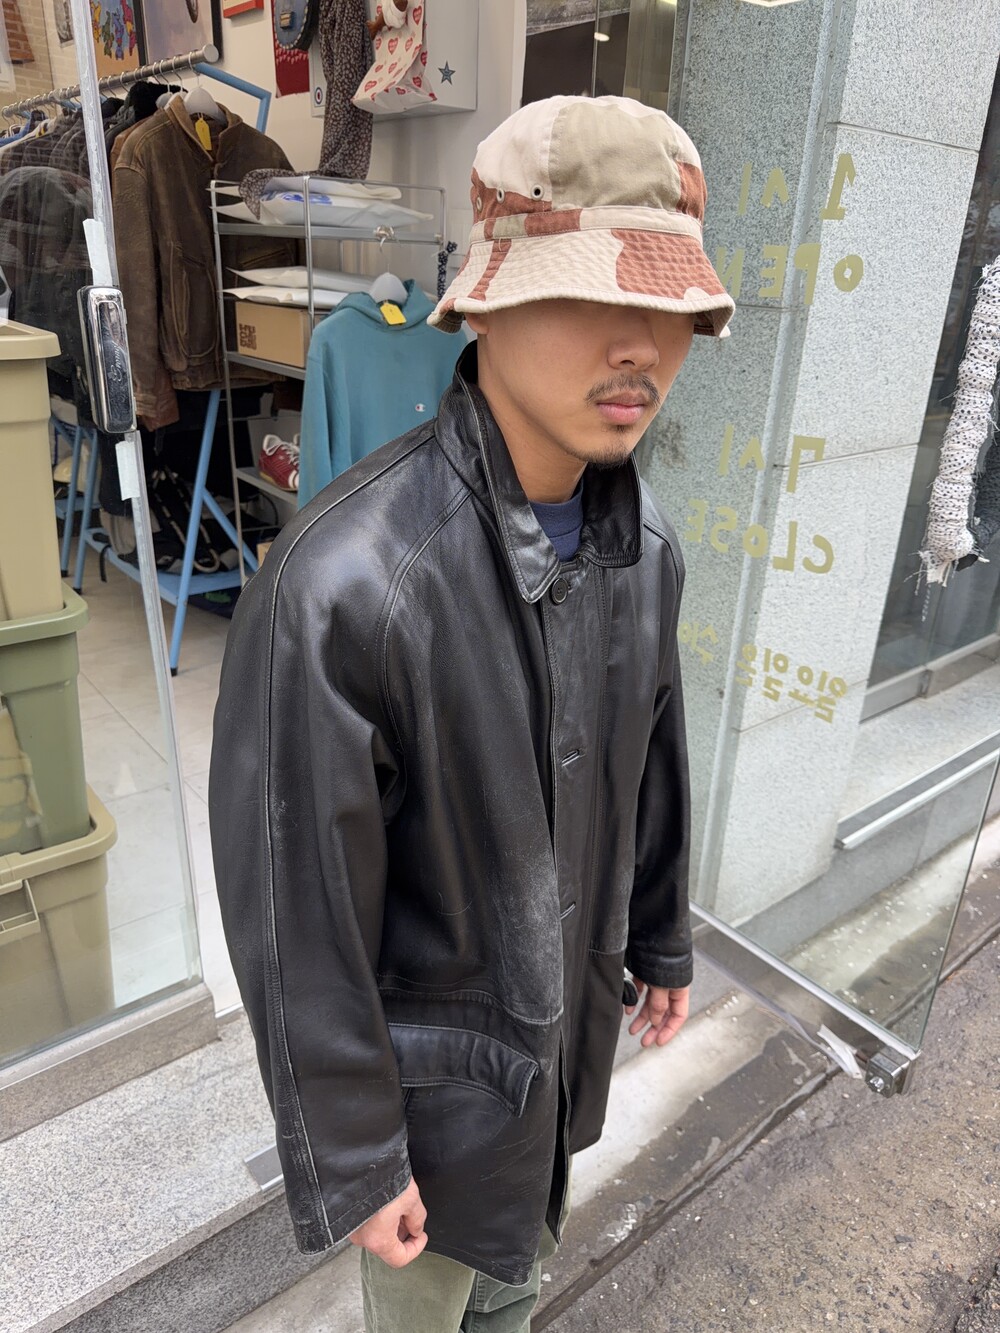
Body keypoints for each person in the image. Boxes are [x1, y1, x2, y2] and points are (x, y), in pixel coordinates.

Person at [208, 93, 734, 1333]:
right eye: (591, 293)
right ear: (487, 298)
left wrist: (660, 935)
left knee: (519, 1276)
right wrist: (355, 1150)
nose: (640, 345)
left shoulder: (641, 545)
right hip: (431, 1101)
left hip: (556, 1051)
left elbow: (648, 761)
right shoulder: (346, 583)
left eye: (666, 303)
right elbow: (294, 906)